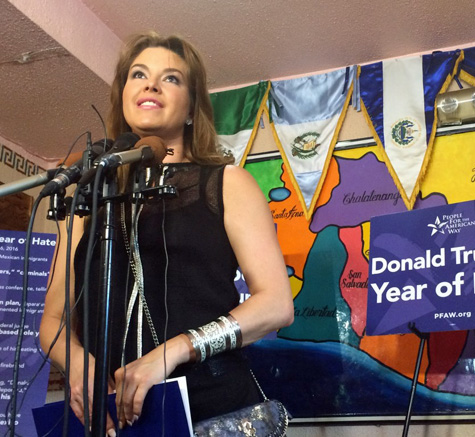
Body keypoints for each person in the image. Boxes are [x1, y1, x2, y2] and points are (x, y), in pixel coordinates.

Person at [39, 31, 294, 435]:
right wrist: (78, 365)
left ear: (192, 108)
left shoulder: (227, 182)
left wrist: (172, 352)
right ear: (124, 96)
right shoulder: (88, 198)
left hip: (212, 411)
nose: (151, 85)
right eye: (139, 74)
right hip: (111, 418)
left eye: (171, 78)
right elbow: (52, 319)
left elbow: (277, 305)